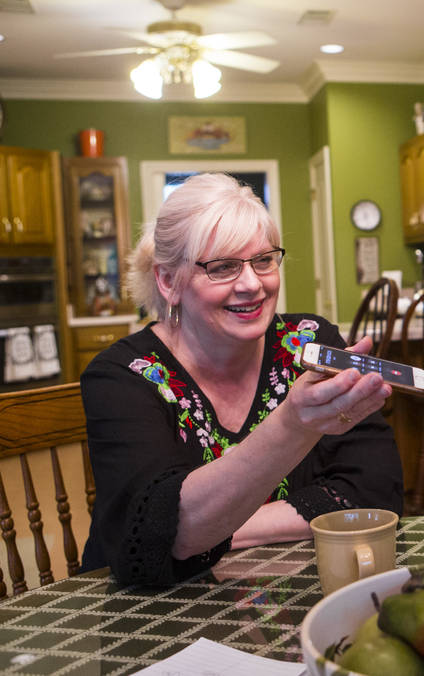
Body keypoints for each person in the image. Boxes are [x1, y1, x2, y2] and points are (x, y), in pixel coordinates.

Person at [80, 172, 403, 586]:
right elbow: (156, 537)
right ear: (167, 281)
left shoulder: (309, 343)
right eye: (223, 267)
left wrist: (218, 526)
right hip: (153, 610)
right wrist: (293, 425)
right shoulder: (124, 377)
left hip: (291, 592)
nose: (252, 284)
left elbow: (375, 496)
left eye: (264, 260)